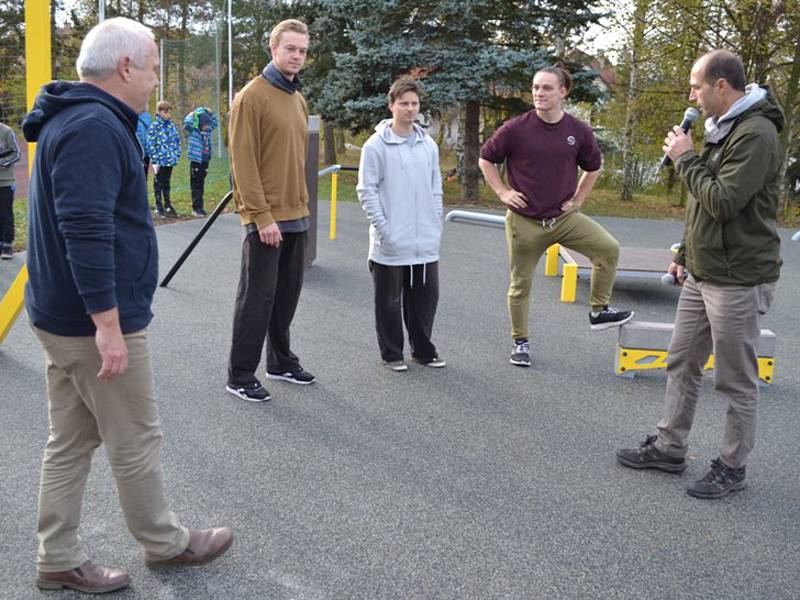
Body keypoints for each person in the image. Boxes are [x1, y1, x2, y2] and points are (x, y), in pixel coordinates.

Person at [22, 17, 232, 594]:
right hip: (90, 322)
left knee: (69, 439)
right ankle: (165, 543)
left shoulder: (77, 117)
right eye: (155, 70)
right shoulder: (94, 125)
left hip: (62, 316)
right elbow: (85, 229)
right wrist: (108, 325)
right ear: (126, 68)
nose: (155, 82)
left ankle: (57, 555)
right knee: (136, 435)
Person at [616, 50, 783, 499]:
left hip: (740, 276)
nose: (692, 95)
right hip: (704, 270)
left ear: (721, 86)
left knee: (734, 378)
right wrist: (685, 252)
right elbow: (701, 208)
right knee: (682, 360)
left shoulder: (757, 134)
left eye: (696, 86)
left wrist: (686, 158)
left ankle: (733, 466)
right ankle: (670, 447)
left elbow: (724, 201)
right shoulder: (720, 129)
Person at [479, 66, 633, 368]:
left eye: (547, 88)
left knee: (608, 248)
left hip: (563, 219)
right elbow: (486, 159)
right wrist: (502, 192)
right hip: (525, 221)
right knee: (520, 284)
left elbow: (594, 167)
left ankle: (599, 309)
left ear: (563, 92)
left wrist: (578, 200)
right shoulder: (516, 128)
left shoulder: (578, 131)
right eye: (536, 87)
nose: (539, 93)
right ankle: (520, 341)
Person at [225, 18, 315, 402]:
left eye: (303, 50)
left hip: (297, 214)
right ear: (273, 48)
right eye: (290, 48)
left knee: (286, 296)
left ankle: (280, 361)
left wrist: (301, 210)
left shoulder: (297, 98)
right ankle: (241, 374)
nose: (297, 56)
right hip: (266, 219)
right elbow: (242, 164)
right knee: (257, 297)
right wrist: (261, 217)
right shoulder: (251, 97)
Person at [357, 76, 445, 372]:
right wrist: (385, 229)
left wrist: (436, 223)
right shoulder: (376, 145)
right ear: (391, 105)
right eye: (404, 103)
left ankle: (422, 350)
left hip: (424, 241)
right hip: (391, 241)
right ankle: (392, 353)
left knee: (425, 299)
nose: (409, 109)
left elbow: (436, 187)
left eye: (414, 104)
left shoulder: (428, 145)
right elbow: (366, 191)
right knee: (389, 302)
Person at [146, 99, 181, 218]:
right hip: (159, 161)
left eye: (169, 112)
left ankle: (168, 205)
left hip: (169, 159)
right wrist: (155, 160)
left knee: (167, 183)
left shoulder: (171, 126)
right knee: (158, 184)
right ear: (159, 112)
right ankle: (159, 206)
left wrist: (176, 154)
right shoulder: (154, 126)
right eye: (165, 112)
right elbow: (151, 143)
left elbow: (176, 140)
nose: (168, 114)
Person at [183, 107, 219, 217]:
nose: (207, 126)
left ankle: (201, 207)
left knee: (201, 184)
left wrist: (208, 111)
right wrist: (195, 113)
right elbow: (187, 122)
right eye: (205, 124)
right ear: (200, 124)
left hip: (205, 160)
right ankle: (195, 208)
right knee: (196, 184)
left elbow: (215, 122)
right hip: (196, 161)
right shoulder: (194, 131)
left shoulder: (207, 132)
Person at [0, 118, 20, 259]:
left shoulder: (7, 131)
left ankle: (8, 245)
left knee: (6, 213)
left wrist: (2, 162)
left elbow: (16, 154)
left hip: (6, 182)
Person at [136, 109, 152, 179]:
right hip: (135, 152)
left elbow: (150, 133)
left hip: (146, 152)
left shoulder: (147, 116)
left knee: (144, 177)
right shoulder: (129, 114)